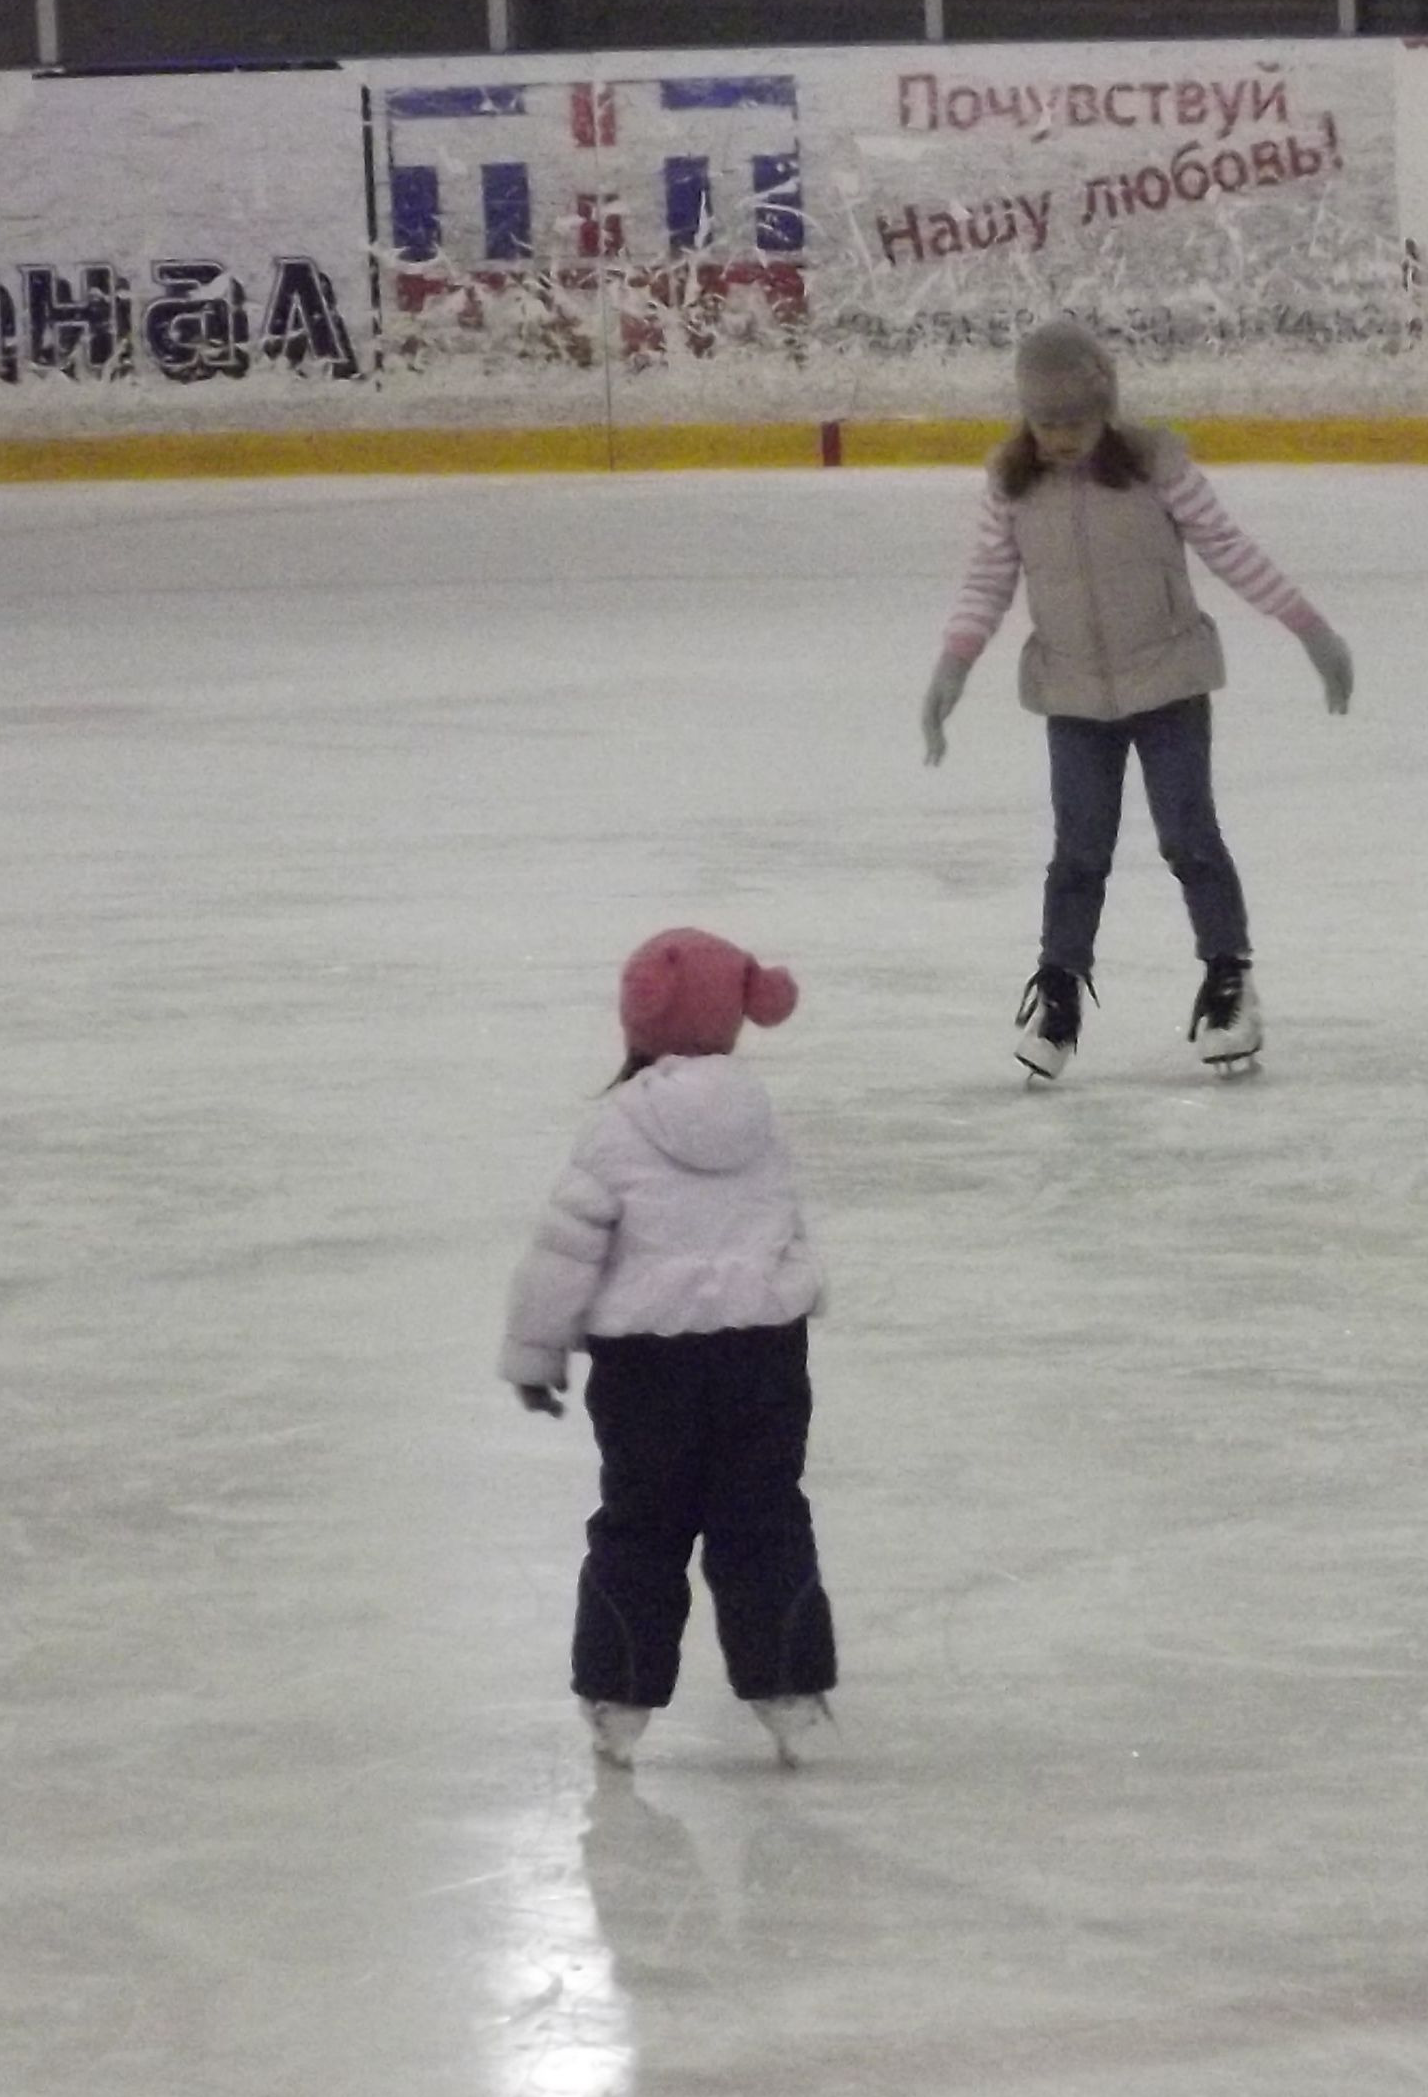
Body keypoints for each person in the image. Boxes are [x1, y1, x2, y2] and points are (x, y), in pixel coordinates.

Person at [919, 317, 1356, 1083]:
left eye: (1073, 421)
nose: (1057, 438)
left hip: (1169, 680)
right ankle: (1059, 994)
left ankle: (1229, 982)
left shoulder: (1156, 465)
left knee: (1190, 838)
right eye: (1043, 422)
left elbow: (1229, 547)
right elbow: (988, 581)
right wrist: (953, 667)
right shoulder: (1012, 483)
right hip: (1072, 691)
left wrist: (1308, 628)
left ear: (1107, 406)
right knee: (1078, 854)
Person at [500, 927, 836, 1768]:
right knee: (764, 1521)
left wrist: (537, 1356)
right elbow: (788, 1225)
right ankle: (789, 1688)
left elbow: (566, 1249)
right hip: (763, 1355)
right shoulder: (758, 1118)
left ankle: (618, 1696)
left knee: (642, 1529)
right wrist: (787, 1295)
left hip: (649, 1369)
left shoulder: (616, 1128)